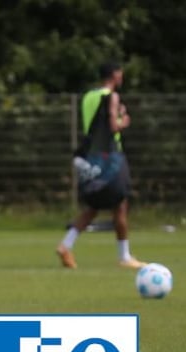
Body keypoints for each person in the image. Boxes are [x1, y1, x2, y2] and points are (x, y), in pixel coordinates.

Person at [56, 62, 145, 269]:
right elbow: (113, 126)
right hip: (111, 156)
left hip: (92, 157)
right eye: (120, 72)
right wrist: (124, 120)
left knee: (94, 207)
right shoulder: (112, 97)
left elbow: (94, 124)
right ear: (114, 74)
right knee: (121, 203)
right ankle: (124, 256)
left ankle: (65, 245)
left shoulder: (88, 97)